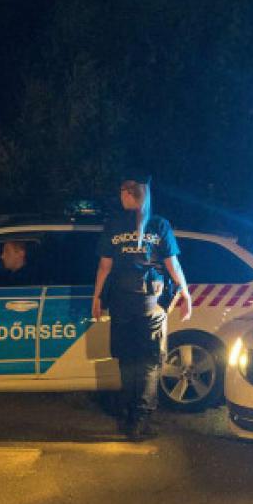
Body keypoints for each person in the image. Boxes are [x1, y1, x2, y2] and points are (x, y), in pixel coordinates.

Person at [92, 175, 192, 440]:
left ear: (128, 193)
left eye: (121, 192)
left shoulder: (113, 224)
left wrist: (97, 297)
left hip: (121, 301)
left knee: (127, 360)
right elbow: (173, 265)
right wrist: (185, 293)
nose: (119, 196)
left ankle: (127, 415)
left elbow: (104, 267)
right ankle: (141, 420)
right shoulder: (159, 225)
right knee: (149, 363)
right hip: (151, 303)